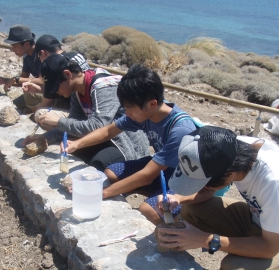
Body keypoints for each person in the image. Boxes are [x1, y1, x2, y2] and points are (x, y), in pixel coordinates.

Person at [63, 65, 197, 222]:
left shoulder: (180, 129)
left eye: (129, 108)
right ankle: (157, 193)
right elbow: (108, 131)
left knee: (148, 211)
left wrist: (103, 192)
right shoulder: (146, 113)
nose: (126, 113)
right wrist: (75, 144)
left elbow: (147, 175)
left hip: (187, 181)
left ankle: (182, 215)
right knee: (111, 173)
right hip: (164, 169)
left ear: (152, 104)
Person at [156, 126, 279, 270]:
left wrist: (205, 239)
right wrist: (178, 197)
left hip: (273, 241)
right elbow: (209, 189)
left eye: (201, 184)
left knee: (233, 266)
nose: (200, 188)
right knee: (192, 209)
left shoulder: (273, 182)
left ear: (229, 175)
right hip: (258, 219)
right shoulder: (226, 147)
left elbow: (269, 248)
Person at [23, 54, 149, 171]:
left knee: (97, 164)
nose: (56, 92)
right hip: (103, 139)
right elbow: (73, 124)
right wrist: (45, 137)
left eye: (56, 87)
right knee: (70, 153)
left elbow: (98, 126)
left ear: (67, 74)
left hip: (126, 144)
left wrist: (58, 121)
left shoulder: (104, 87)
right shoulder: (77, 92)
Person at [23, 34, 90, 130]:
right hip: (81, 102)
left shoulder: (55, 66)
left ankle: (60, 130)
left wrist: (36, 120)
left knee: (40, 115)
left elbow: (51, 96)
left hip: (76, 109)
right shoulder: (75, 55)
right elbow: (58, 90)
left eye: (38, 57)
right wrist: (38, 89)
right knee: (32, 94)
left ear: (43, 53)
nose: (40, 61)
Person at [0, 24, 43, 113]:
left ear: (26, 44)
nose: (13, 50)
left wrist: (16, 79)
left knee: (28, 94)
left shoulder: (42, 55)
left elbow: (42, 81)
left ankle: (38, 117)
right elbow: (22, 80)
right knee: (15, 104)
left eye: (15, 46)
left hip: (52, 94)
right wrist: (5, 81)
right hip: (39, 90)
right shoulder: (27, 57)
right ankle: (32, 109)